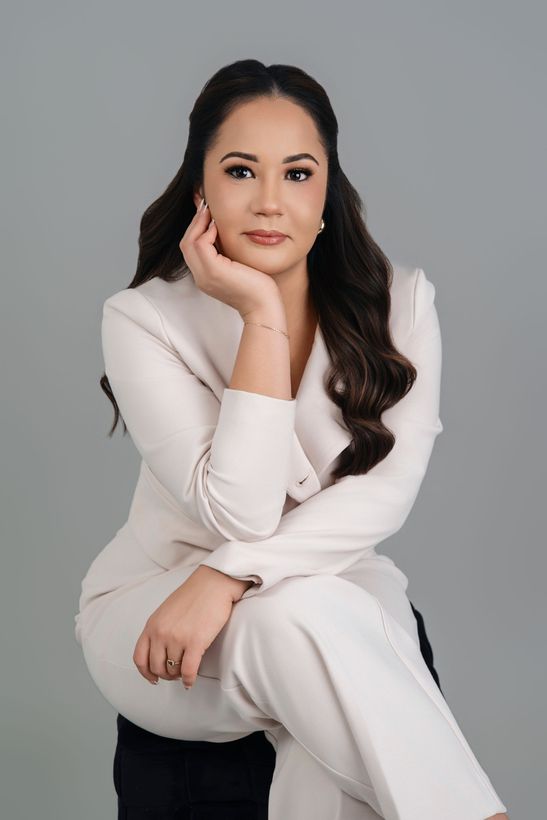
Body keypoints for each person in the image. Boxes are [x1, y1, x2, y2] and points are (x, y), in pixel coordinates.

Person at [74, 59, 509, 820]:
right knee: (311, 622)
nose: (270, 200)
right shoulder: (142, 318)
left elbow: (383, 498)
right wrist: (261, 317)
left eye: (298, 173)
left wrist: (229, 577)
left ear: (325, 196)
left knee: (312, 634)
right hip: (158, 609)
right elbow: (238, 514)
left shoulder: (401, 303)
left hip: (323, 589)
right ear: (200, 187)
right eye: (240, 170)